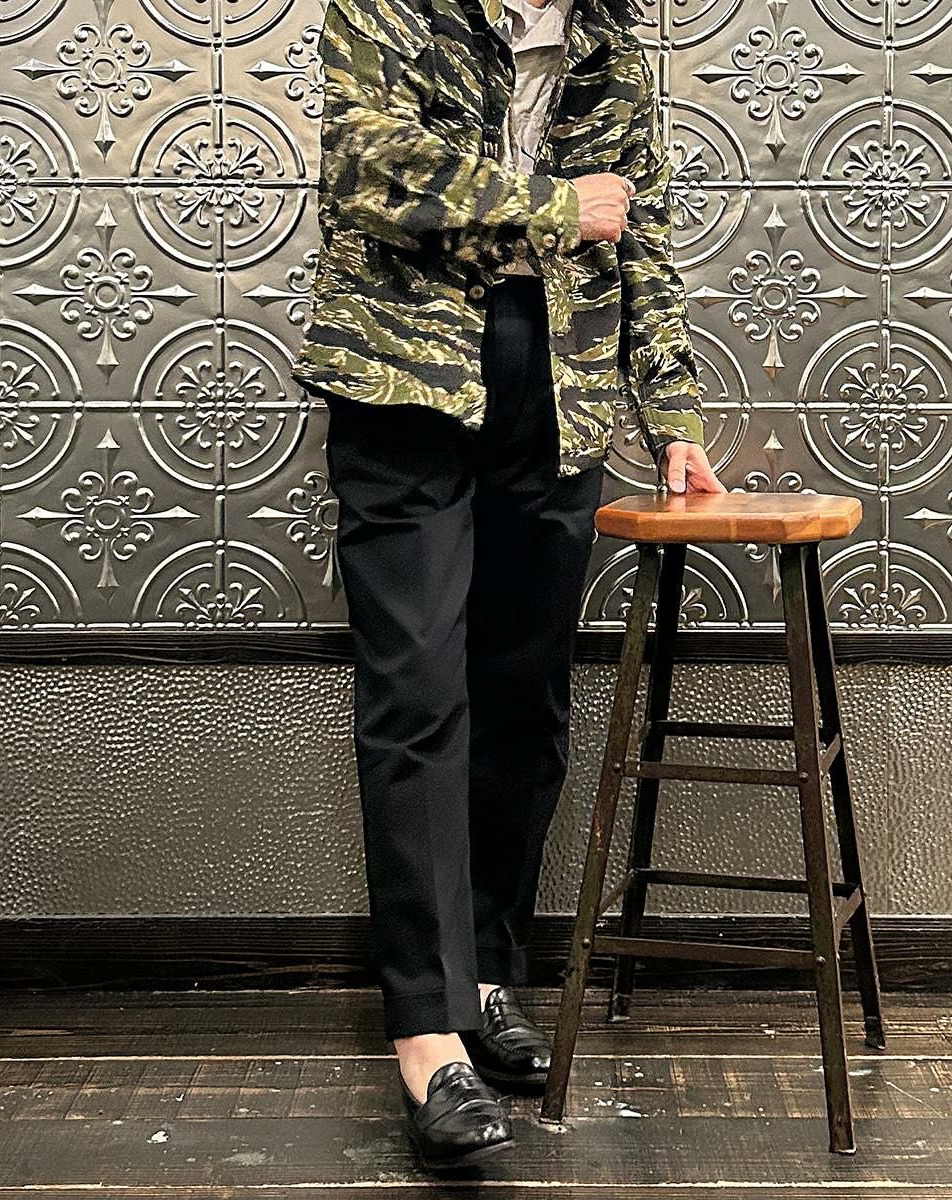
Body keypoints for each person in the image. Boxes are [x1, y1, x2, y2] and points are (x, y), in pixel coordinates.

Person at [290, 0, 725, 1171]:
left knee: (524, 697)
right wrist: (550, 204)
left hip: (559, 381)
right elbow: (367, 165)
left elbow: (642, 235)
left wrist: (672, 418)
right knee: (418, 693)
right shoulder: (389, 7)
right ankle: (426, 1038)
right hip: (404, 382)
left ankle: (484, 979)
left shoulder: (608, 40)